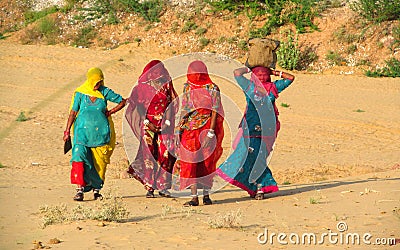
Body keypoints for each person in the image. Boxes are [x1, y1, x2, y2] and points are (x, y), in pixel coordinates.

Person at [217, 66, 294, 200]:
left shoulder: (261, 87)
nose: (262, 77)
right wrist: (260, 70)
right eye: (261, 75)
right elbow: (236, 73)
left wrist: (256, 70)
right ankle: (258, 187)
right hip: (258, 128)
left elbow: (291, 78)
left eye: (263, 75)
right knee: (250, 156)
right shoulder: (260, 87)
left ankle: (260, 187)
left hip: (260, 128)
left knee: (255, 156)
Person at [63, 67, 126, 201]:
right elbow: (73, 113)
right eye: (96, 82)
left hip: (100, 135)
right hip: (81, 134)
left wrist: (111, 112)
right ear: (90, 81)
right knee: (78, 157)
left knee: (99, 163)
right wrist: (67, 131)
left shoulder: (104, 92)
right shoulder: (81, 93)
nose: (98, 85)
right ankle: (79, 190)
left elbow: (122, 101)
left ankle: (96, 191)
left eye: (100, 82)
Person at [125, 60, 178, 198]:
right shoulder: (141, 88)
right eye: (156, 72)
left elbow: (171, 104)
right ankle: (150, 187)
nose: (158, 75)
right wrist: (148, 123)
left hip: (166, 125)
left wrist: (166, 122)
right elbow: (137, 107)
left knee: (166, 153)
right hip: (148, 124)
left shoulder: (167, 84)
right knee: (149, 154)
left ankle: (164, 186)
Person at [176, 60, 224, 206]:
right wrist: (180, 127)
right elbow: (185, 107)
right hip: (190, 129)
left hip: (207, 127)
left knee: (206, 162)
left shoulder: (212, 88)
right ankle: (194, 197)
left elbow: (215, 110)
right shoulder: (187, 87)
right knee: (190, 162)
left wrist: (211, 131)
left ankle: (206, 195)